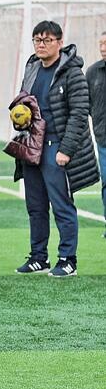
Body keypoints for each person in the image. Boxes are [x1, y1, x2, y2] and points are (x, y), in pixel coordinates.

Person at [15, 21, 99, 277]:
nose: (41, 45)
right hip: (32, 146)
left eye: (47, 40)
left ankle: (67, 259)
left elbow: (79, 114)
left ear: (60, 43)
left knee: (62, 205)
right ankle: (38, 257)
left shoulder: (72, 73)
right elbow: (24, 102)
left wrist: (66, 150)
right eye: (37, 40)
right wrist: (19, 118)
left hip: (56, 147)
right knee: (35, 206)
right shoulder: (32, 68)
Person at [85, 31, 106, 237]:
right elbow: (87, 103)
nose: (102, 48)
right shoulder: (92, 72)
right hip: (103, 138)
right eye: (101, 44)